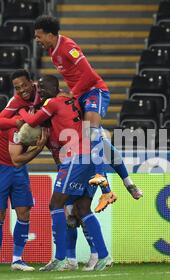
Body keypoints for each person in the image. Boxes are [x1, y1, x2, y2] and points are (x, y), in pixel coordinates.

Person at [33, 15, 143, 213]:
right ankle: (127, 184)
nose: (37, 40)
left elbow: (90, 75)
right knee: (99, 142)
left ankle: (103, 178)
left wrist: (72, 94)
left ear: (50, 35)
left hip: (94, 91)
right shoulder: (52, 49)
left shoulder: (67, 47)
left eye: (39, 36)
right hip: (81, 96)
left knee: (91, 132)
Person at [19, 75, 113, 271]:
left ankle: (61, 258)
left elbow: (32, 119)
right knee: (81, 208)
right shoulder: (70, 102)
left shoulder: (53, 103)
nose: (41, 92)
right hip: (87, 158)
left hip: (75, 157)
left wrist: (22, 111)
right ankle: (101, 256)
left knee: (56, 204)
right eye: (40, 89)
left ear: (54, 87)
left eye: (43, 88)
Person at [0, 70, 50, 272]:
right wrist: (20, 125)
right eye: (17, 87)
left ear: (32, 83)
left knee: (24, 211)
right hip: (0, 164)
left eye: (24, 85)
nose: (22, 90)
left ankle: (17, 260)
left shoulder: (41, 96)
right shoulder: (15, 119)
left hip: (18, 168)